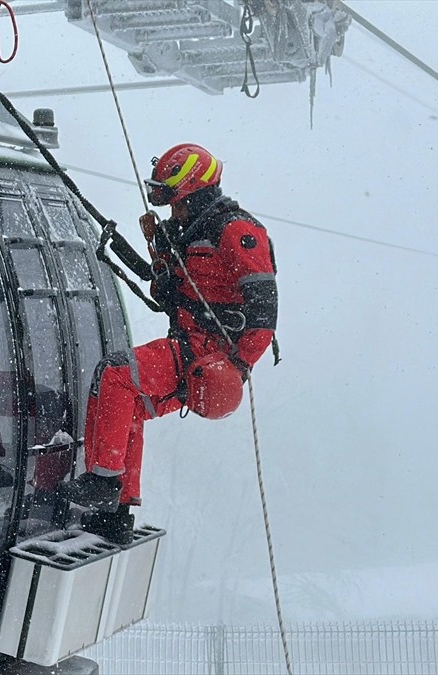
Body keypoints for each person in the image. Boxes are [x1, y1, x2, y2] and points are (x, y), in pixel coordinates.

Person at [61, 143, 279, 542]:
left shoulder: (234, 231)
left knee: (115, 376)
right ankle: (116, 513)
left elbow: (264, 314)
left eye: (173, 199)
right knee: (129, 403)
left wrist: (239, 367)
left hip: (208, 354)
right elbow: (169, 295)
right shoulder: (185, 231)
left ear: (192, 191)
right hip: (190, 346)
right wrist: (158, 258)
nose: (170, 211)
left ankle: (104, 482)